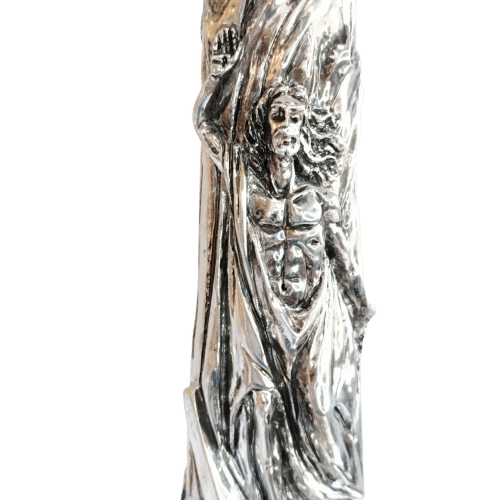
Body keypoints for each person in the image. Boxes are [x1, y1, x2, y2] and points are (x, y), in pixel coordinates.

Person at [183, 21, 375, 500]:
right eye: (278, 116)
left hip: (314, 315)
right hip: (260, 314)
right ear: (265, 125)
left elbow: (340, 251)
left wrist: (359, 306)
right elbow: (207, 126)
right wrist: (220, 76)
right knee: (261, 412)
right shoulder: (245, 183)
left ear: (305, 130)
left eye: (295, 119)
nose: (287, 127)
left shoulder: (317, 195)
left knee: (320, 404)